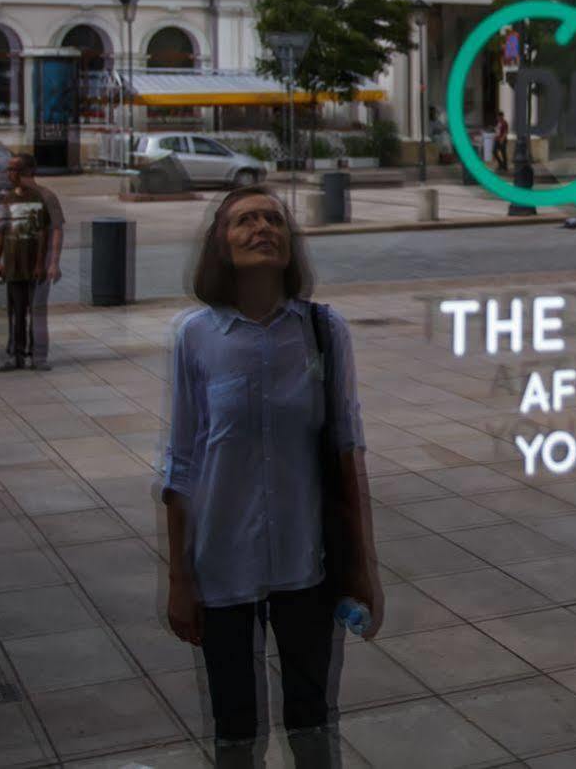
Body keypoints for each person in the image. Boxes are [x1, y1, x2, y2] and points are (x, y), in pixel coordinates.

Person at [160, 186, 382, 767]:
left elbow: (346, 450)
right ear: (221, 242)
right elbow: (182, 461)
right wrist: (179, 578)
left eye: (273, 219)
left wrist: (362, 567)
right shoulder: (197, 336)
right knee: (234, 725)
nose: (262, 228)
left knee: (311, 716)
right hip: (222, 558)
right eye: (245, 220)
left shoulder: (322, 330)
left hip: (305, 559)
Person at [0, 153, 63, 372]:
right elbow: (1, 232)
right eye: (9, 169)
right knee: (16, 311)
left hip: (37, 265)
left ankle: (38, 355)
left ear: (28, 171)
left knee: (37, 311)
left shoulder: (45, 197)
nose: (11, 174)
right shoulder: (8, 198)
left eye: (16, 169)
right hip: (14, 264)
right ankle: (16, 354)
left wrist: (53, 263)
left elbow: (55, 230)